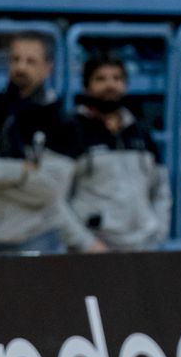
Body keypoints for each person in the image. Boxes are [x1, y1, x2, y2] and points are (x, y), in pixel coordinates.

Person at [0, 31, 84, 254]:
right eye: (15, 59)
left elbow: (49, 189)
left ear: (48, 67)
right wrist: (22, 171)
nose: (21, 67)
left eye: (30, 61)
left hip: (35, 238)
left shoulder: (62, 122)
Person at [63, 53, 171, 251]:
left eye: (117, 78)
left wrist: (157, 231)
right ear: (87, 86)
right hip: (91, 249)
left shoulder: (141, 131)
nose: (110, 85)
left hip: (142, 246)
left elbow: (161, 189)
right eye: (101, 79)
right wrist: (86, 243)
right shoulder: (70, 130)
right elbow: (57, 199)